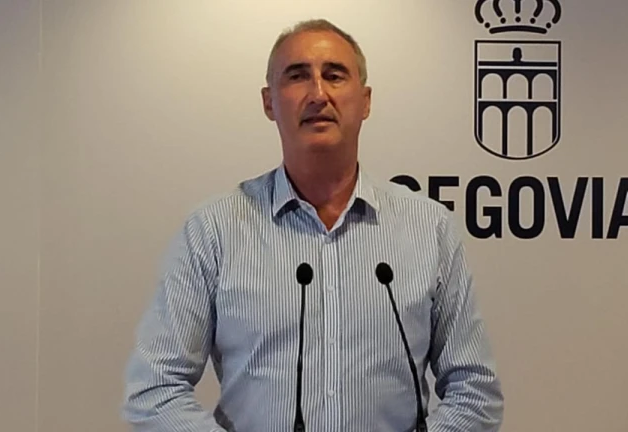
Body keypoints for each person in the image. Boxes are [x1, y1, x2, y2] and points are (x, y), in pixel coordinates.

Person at [121, 18, 504, 432]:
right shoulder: (214, 230)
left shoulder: (429, 229)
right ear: (269, 102)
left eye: (334, 75)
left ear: (365, 101)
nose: (318, 94)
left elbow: (474, 390)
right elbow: (155, 390)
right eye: (297, 76)